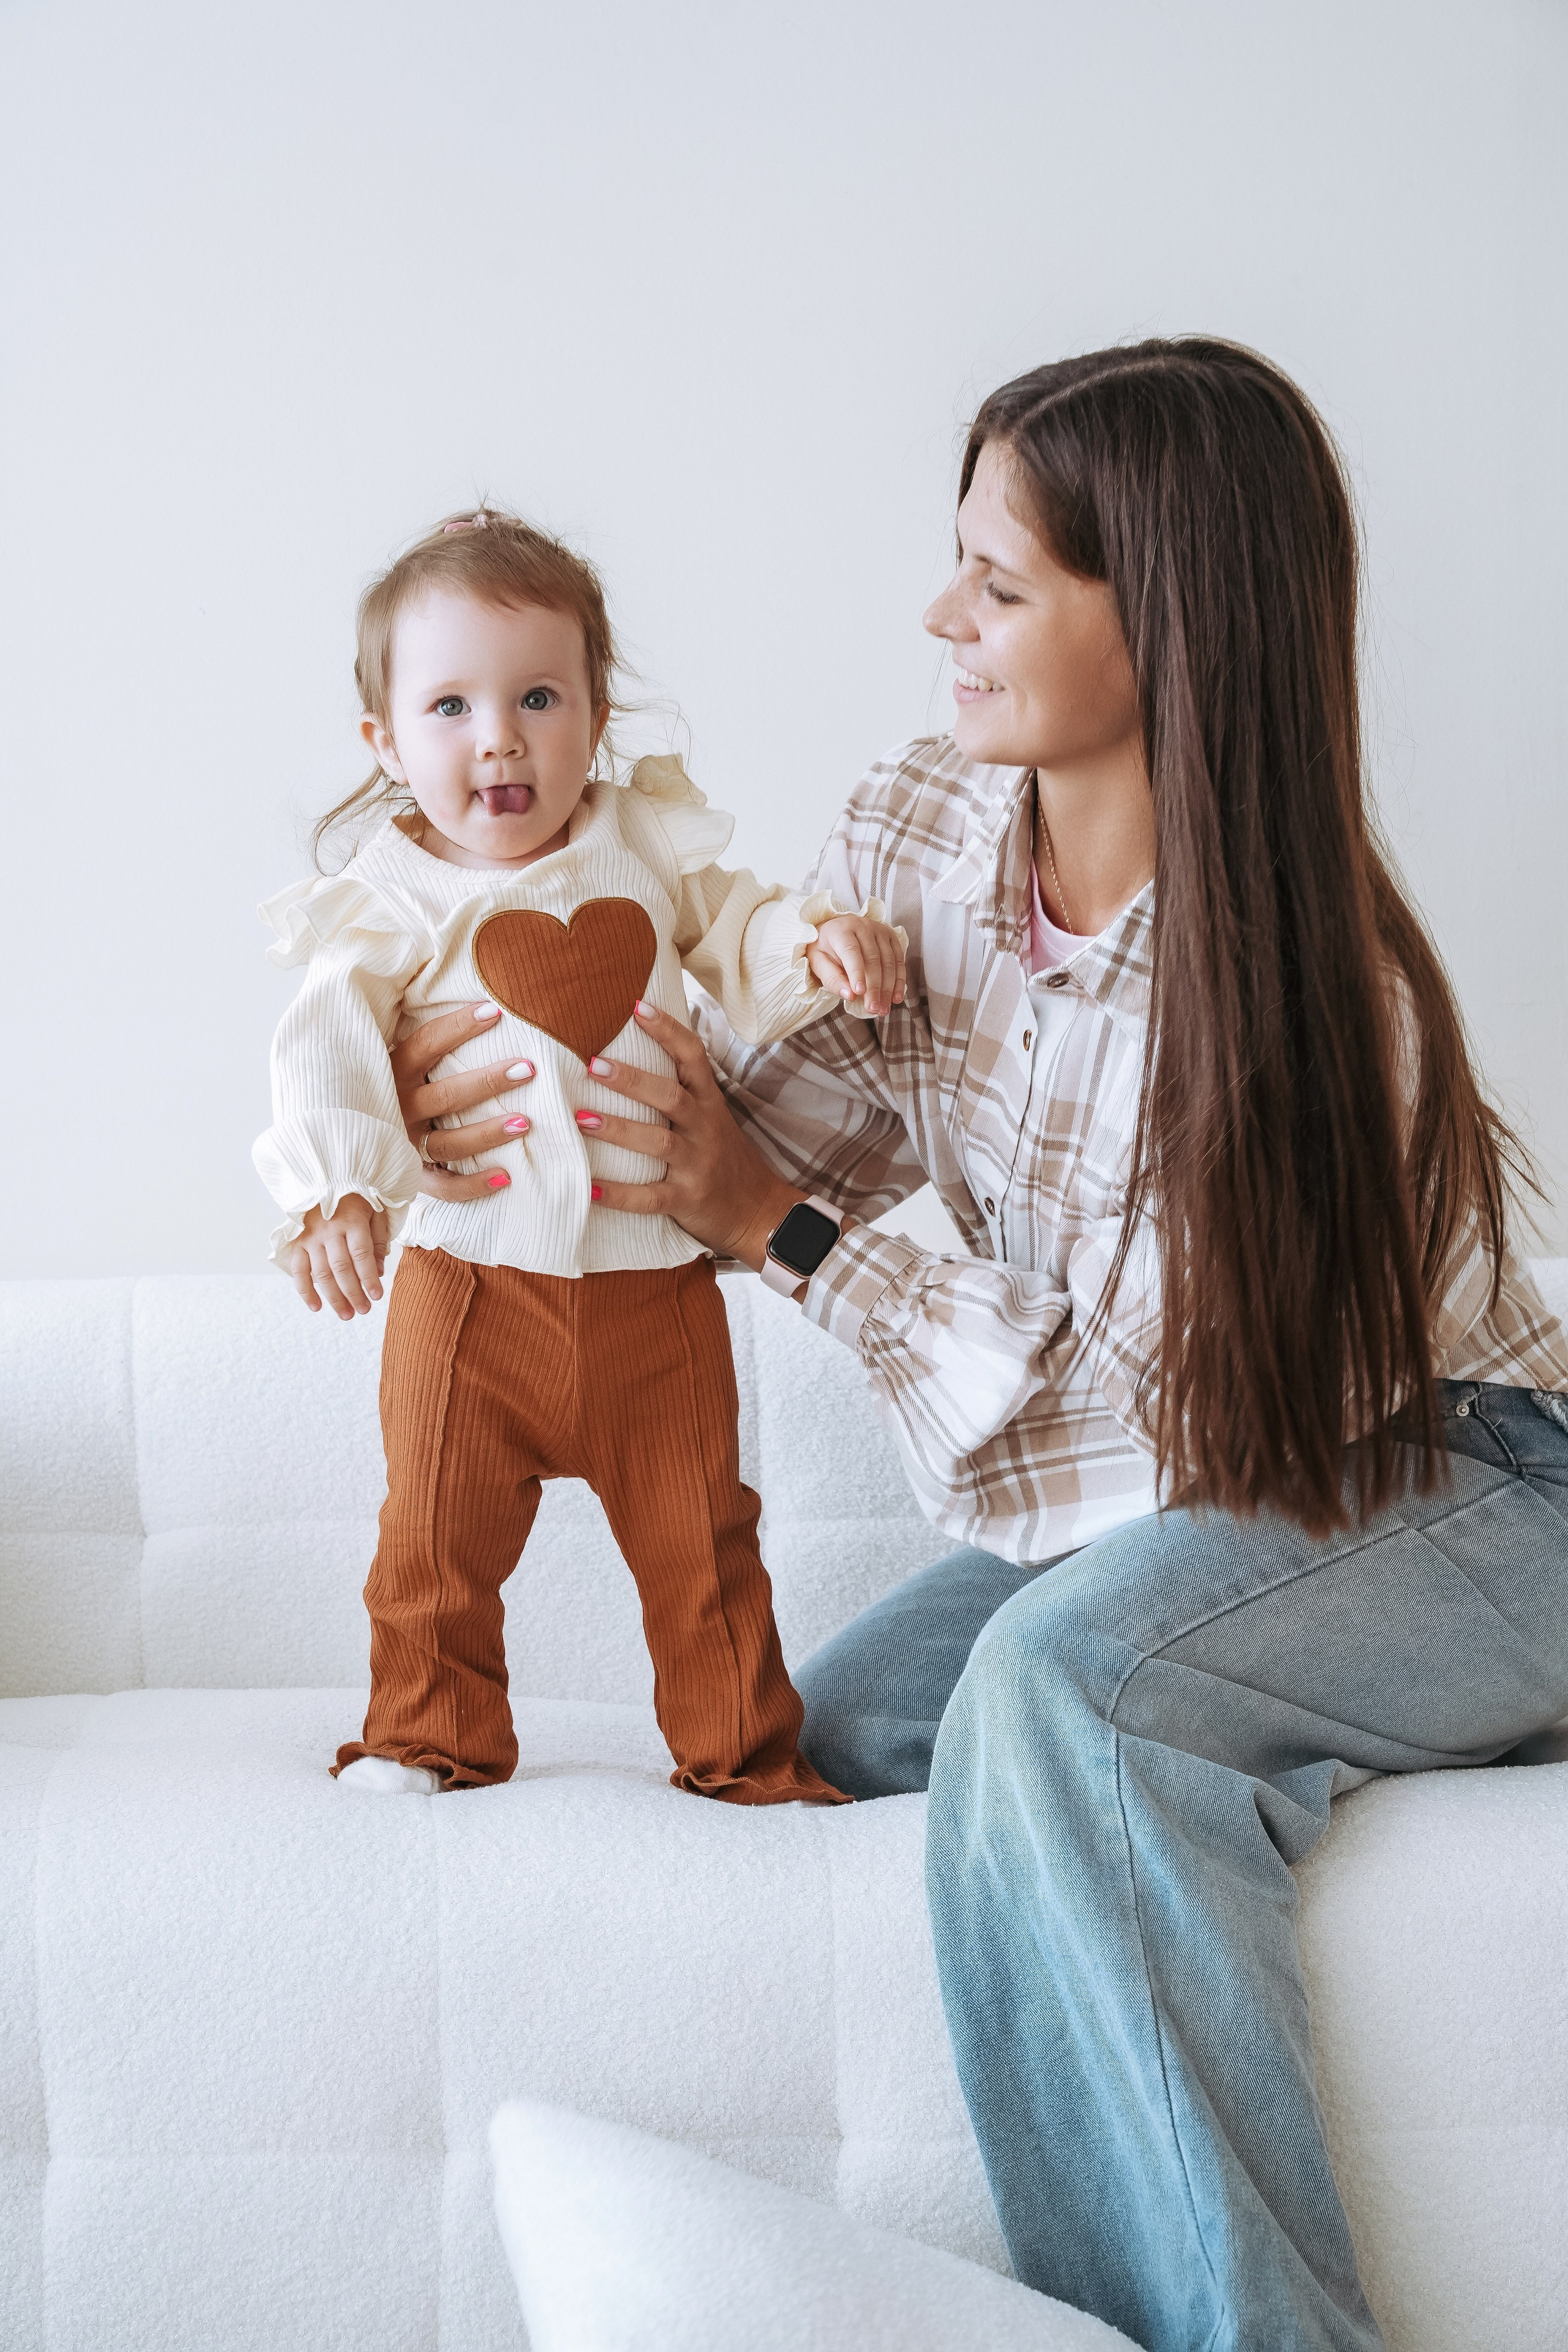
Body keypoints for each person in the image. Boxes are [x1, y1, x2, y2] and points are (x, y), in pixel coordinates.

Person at [254, 505, 907, 1805]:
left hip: (653, 1297)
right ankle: (425, 1735)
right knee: (432, 1538)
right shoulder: (387, 898)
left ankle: (745, 1757)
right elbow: (326, 1040)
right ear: (385, 741)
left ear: (597, 716)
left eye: (538, 697)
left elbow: (739, 925)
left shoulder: (644, 844)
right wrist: (337, 1189)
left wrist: (815, 945)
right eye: (450, 706)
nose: (498, 736)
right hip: (468, 1293)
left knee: (703, 1545)